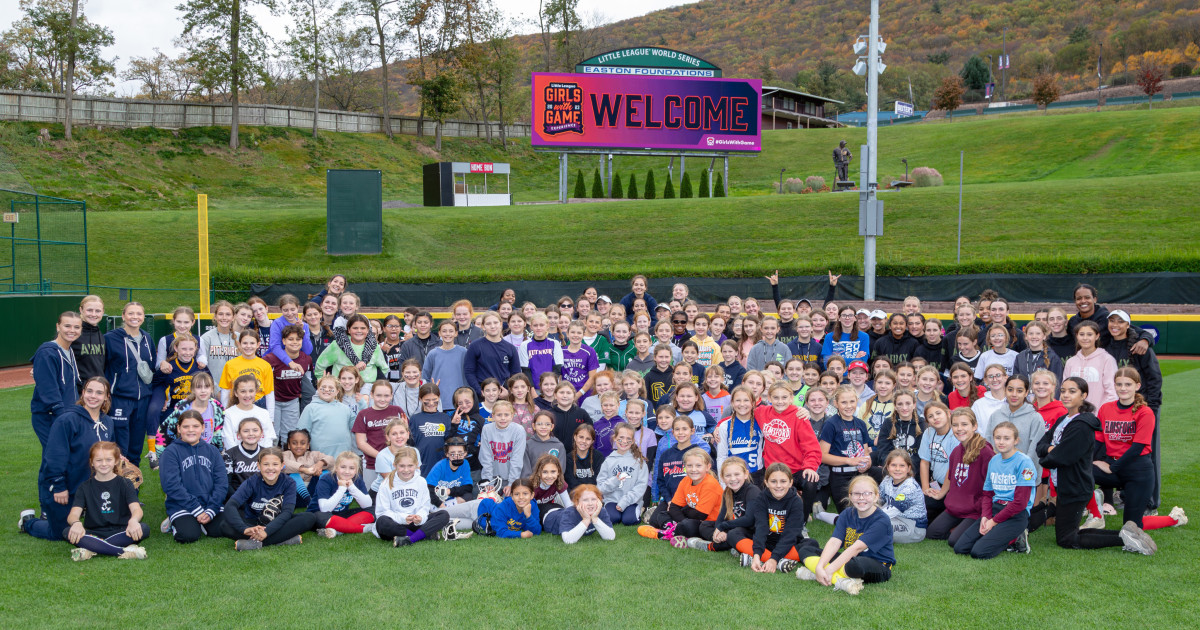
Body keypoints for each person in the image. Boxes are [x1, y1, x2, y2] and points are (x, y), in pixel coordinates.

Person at [1034, 376, 1157, 555]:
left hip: (1075, 485)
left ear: (1083, 395)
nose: (1066, 395)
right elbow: (1041, 445)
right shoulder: (1062, 420)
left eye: (1072, 391)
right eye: (1063, 391)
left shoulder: (1082, 424)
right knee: (1069, 532)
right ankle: (1125, 534)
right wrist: (1051, 449)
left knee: (1067, 539)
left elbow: (1060, 458)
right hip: (1066, 483)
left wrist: (1046, 456)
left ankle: (1124, 538)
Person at [19, 376, 115, 542]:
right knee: (62, 533)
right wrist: (58, 486)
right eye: (89, 391)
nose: (93, 396)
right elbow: (54, 456)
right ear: (82, 393)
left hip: (88, 487)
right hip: (64, 488)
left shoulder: (107, 422)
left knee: (102, 527)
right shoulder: (67, 420)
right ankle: (28, 522)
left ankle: (85, 509)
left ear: (106, 397)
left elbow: (108, 453)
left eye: (99, 393)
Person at [1093, 368, 1186, 531]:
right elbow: (1098, 440)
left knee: (1131, 526)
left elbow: (1137, 447)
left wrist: (1112, 467)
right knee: (1079, 471)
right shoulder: (1105, 409)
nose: (1123, 388)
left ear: (1137, 386)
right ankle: (1095, 512)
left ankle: (1174, 519)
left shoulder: (1145, 412)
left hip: (1137, 470)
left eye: (1128, 384)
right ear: (1114, 386)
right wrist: (1090, 460)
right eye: (1119, 384)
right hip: (1113, 467)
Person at [797, 474, 895, 595]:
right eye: (857, 494)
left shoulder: (882, 520)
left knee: (855, 565)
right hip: (848, 559)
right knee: (806, 550)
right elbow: (834, 542)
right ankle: (833, 578)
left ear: (876, 496)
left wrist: (830, 569)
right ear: (850, 496)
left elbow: (856, 548)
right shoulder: (847, 513)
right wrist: (820, 566)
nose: (861, 498)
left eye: (867, 493)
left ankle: (823, 575)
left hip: (877, 565)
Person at [953, 421, 1037, 559]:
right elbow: (987, 494)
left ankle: (1016, 538)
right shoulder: (994, 460)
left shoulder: (1024, 462)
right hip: (995, 508)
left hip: (1015, 514)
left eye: (1006, 438)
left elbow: (1020, 503)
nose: (1001, 442)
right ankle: (999, 534)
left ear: (1016, 440)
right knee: (960, 548)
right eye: (998, 438)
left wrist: (993, 522)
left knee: (979, 552)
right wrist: (986, 517)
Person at [63, 441, 148, 561]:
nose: (104, 464)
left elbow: (136, 509)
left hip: (122, 531)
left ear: (116, 461)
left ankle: (91, 548)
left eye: (108, 460)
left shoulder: (125, 483)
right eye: (99, 460)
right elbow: (73, 514)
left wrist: (133, 521)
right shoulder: (84, 487)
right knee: (67, 531)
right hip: (93, 533)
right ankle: (123, 551)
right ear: (92, 462)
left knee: (143, 528)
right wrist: (76, 523)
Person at [222, 447, 318, 550]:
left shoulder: (289, 483)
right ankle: (282, 540)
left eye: (275, 464)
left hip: (278, 523)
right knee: (224, 525)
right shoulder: (251, 482)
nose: (270, 468)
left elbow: (287, 512)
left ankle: (256, 544)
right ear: (259, 465)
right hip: (254, 523)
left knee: (309, 517)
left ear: (282, 465)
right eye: (266, 464)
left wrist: (267, 532)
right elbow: (230, 505)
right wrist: (244, 529)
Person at [925, 408, 994, 547]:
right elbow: (950, 477)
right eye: (955, 425)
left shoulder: (985, 452)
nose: (959, 429)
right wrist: (940, 495)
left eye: (964, 424)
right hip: (956, 508)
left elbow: (992, 485)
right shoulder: (956, 451)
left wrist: (986, 512)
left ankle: (974, 531)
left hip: (975, 510)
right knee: (932, 533)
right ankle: (960, 529)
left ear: (974, 426)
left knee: (954, 541)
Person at [727, 463, 813, 573]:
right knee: (733, 534)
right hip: (766, 542)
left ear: (790, 482)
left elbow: (790, 534)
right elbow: (761, 528)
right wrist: (757, 554)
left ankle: (765, 559)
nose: (778, 485)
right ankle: (772, 561)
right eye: (773, 481)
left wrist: (774, 558)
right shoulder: (762, 498)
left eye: (783, 481)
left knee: (810, 544)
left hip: (786, 543)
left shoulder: (796, 501)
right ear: (766, 483)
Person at [159, 410, 228, 543]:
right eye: (186, 427)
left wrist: (211, 509)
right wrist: (196, 510)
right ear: (179, 429)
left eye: (195, 426)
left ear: (203, 428)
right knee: (188, 535)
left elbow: (222, 483)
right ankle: (174, 522)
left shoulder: (212, 451)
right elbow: (171, 486)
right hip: (182, 505)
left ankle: (203, 523)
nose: (191, 430)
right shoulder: (171, 452)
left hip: (209, 504)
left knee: (222, 530)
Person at [755, 382, 821, 517]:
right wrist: (718, 426)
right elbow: (739, 414)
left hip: (795, 469)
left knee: (811, 480)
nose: (780, 401)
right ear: (769, 398)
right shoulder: (761, 412)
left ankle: (802, 519)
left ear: (791, 398)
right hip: (771, 469)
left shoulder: (799, 416)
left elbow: (812, 447)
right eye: (776, 397)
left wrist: (810, 467)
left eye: (784, 397)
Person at [103, 303, 155, 465]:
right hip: (120, 398)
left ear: (143, 317)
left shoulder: (147, 338)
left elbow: (151, 367)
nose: (135, 317)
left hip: (143, 400)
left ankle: (133, 487)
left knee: (136, 448)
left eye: (139, 314)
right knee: (119, 447)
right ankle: (116, 486)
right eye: (131, 313)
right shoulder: (110, 338)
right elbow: (102, 367)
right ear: (123, 316)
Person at [638, 448, 722, 546]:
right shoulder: (685, 481)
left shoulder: (710, 484)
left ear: (708, 467)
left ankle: (665, 533)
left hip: (710, 523)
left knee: (688, 525)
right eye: (689, 466)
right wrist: (682, 519)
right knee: (661, 515)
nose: (694, 469)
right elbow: (674, 507)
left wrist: (684, 514)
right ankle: (676, 530)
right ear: (684, 467)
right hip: (691, 518)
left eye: (698, 466)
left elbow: (701, 515)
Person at [31, 311, 82, 451]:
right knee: (55, 458)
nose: (72, 330)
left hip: (67, 414)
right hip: (50, 416)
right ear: (58, 327)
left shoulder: (69, 350)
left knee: (63, 458)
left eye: (76, 327)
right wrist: (62, 415)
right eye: (67, 326)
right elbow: (48, 389)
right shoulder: (47, 352)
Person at [441, 477, 541, 539]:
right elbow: (500, 532)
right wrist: (520, 535)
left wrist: (528, 516)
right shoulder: (505, 506)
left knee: (442, 523)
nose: (521, 497)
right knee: (441, 513)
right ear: (511, 495)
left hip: (479, 523)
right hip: (477, 508)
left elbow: (536, 531)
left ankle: (427, 524)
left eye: (525, 494)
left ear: (532, 495)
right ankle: (426, 517)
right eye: (517, 494)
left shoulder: (532, 506)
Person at [310, 451, 376, 538]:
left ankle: (339, 530)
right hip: (322, 515)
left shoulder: (357, 478)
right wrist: (342, 489)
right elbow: (325, 509)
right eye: (343, 467)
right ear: (336, 468)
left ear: (356, 470)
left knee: (374, 509)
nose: (347, 471)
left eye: (352, 468)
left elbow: (367, 505)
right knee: (318, 516)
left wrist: (352, 487)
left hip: (341, 515)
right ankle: (364, 529)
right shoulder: (326, 479)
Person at [596, 423, 650, 525]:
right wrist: (615, 481)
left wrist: (625, 501)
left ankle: (639, 509)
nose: (624, 441)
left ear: (633, 441)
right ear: (615, 438)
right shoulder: (608, 461)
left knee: (629, 520)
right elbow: (600, 487)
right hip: (612, 500)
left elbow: (641, 486)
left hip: (632, 500)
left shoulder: (639, 461)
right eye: (621, 437)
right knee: (612, 518)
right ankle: (609, 510)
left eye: (628, 438)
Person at [298, 374, 356, 458]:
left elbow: (357, 427)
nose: (326, 390)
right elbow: (301, 434)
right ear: (318, 389)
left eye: (331, 388)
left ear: (337, 391)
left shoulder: (345, 409)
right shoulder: (310, 408)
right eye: (323, 387)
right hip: (320, 459)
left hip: (343, 459)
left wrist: (363, 405)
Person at [464, 311, 520, 395]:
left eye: (495, 322)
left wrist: (508, 392)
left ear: (501, 324)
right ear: (483, 326)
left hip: (503, 394)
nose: (493, 326)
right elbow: (469, 372)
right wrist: (480, 391)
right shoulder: (475, 346)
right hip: (483, 395)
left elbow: (516, 374)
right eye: (488, 323)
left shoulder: (510, 348)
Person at [1062, 321, 1117, 407]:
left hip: (1097, 415)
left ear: (1097, 336)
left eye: (1089, 334)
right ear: (1077, 336)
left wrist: (1103, 413)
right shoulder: (1071, 362)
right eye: (1082, 334)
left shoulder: (1107, 360)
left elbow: (1112, 391)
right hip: (1074, 415)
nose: (1085, 338)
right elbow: (1064, 389)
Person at [879, 450, 927, 543]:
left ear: (909, 468)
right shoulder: (887, 480)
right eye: (893, 465)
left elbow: (892, 511)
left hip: (913, 527)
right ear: (888, 467)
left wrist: (867, 519)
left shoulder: (910, 487)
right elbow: (878, 500)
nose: (897, 469)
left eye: (902, 466)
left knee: (878, 527)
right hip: (895, 518)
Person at [543, 484, 616, 543]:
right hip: (548, 515)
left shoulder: (601, 511)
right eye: (585, 500)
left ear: (599, 501)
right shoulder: (570, 513)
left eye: (593, 499)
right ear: (577, 502)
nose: (590, 503)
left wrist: (595, 518)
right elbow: (568, 540)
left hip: (560, 509)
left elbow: (610, 537)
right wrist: (586, 520)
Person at [481, 400, 528, 492]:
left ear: (512, 415)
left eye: (506, 415)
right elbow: (485, 457)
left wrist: (512, 483)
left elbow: (517, 459)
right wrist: (488, 482)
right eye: (499, 415)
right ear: (493, 416)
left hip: (513, 476)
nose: (503, 418)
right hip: (493, 477)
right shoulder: (487, 429)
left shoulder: (519, 430)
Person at [222, 373, 276, 448]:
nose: (247, 395)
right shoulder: (228, 414)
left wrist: (262, 457)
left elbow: (268, 440)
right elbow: (228, 442)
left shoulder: (264, 413)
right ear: (236, 393)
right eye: (243, 391)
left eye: (251, 391)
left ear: (255, 392)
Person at [283, 429, 331, 508]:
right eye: (294, 443)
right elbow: (284, 463)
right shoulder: (285, 454)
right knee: (293, 474)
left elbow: (331, 459)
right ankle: (308, 501)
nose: (298, 446)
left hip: (312, 490)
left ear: (308, 445)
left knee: (325, 472)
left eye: (302, 443)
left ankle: (324, 498)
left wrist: (320, 463)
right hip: (294, 495)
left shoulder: (313, 454)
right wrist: (304, 470)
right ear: (289, 445)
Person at [72, 296, 107, 382]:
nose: (93, 314)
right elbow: (54, 348)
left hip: (96, 389)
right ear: (81, 310)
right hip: (78, 391)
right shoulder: (73, 332)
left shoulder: (100, 335)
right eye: (89, 310)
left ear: (103, 312)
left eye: (98, 311)